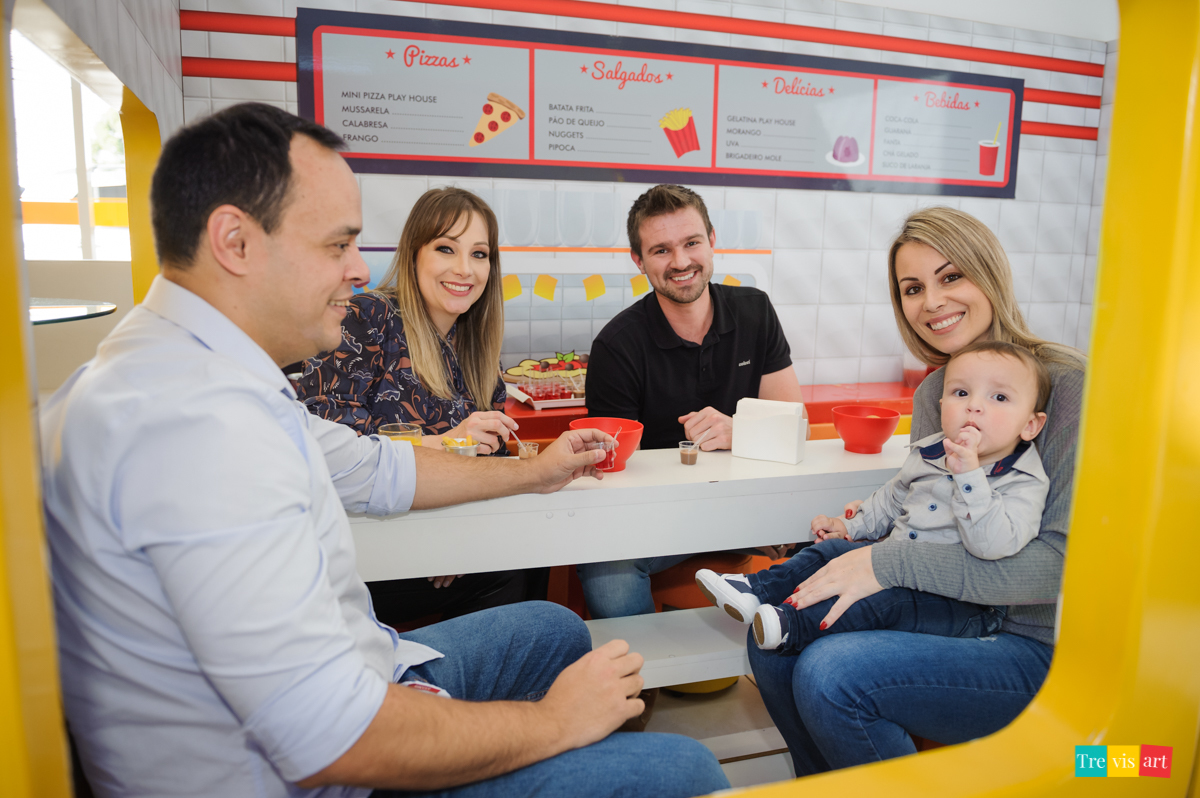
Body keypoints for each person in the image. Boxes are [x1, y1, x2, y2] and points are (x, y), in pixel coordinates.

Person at [39, 103, 729, 798]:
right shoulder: (198, 429)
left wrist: (535, 469)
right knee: (688, 770)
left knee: (552, 630)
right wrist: (554, 723)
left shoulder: (197, 368)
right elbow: (329, 737)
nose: (359, 271)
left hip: (367, 671)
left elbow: (378, 466)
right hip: (335, 765)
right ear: (236, 243)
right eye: (337, 245)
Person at [746, 205, 1086, 774]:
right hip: (947, 611)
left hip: (1041, 649)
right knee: (774, 633)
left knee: (833, 673)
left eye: (951, 276)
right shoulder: (935, 392)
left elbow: (1058, 570)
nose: (931, 302)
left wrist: (889, 562)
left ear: (990, 272)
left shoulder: (1068, 385)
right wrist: (859, 531)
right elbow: (924, 502)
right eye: (912, 287)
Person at [697, 339, 1050, 652]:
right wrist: (851, 527)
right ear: (942, 403)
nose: (974, 407)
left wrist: (970, 477)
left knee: (882, 601)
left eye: (999, 397)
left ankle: (793, 625)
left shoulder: (1024, 481)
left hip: (962, 606)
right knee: (831, 551)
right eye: (961, 393)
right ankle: (756, 590)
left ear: (1030, 425)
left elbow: (992, 545)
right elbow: (892, 499)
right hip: (893, 569)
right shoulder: (930, 450)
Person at [296, 187, 538, 628]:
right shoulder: (365, 317)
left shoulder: (476, 348)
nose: (465, 269)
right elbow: (328, 449)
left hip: (444, 551)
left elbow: (496, 467)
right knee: (510, 577)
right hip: (364, 552)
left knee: (532, 561)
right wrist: (446, 444)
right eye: (446, 248)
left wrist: (461, 536)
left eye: (479, 254)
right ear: (413, 255)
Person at [579, 184, 804, 620]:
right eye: (661, 250)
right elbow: (609, 473)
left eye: (691, 243)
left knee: (831, 529)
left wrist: (742, 432)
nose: (681, 262)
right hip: (660, 517)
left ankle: (792, 663)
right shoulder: (616, 345)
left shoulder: (755, 311)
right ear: (638, 260)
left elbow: (797, 425)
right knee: (606, 564)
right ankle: (642, 686)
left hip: (749, 505)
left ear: (712, 241)